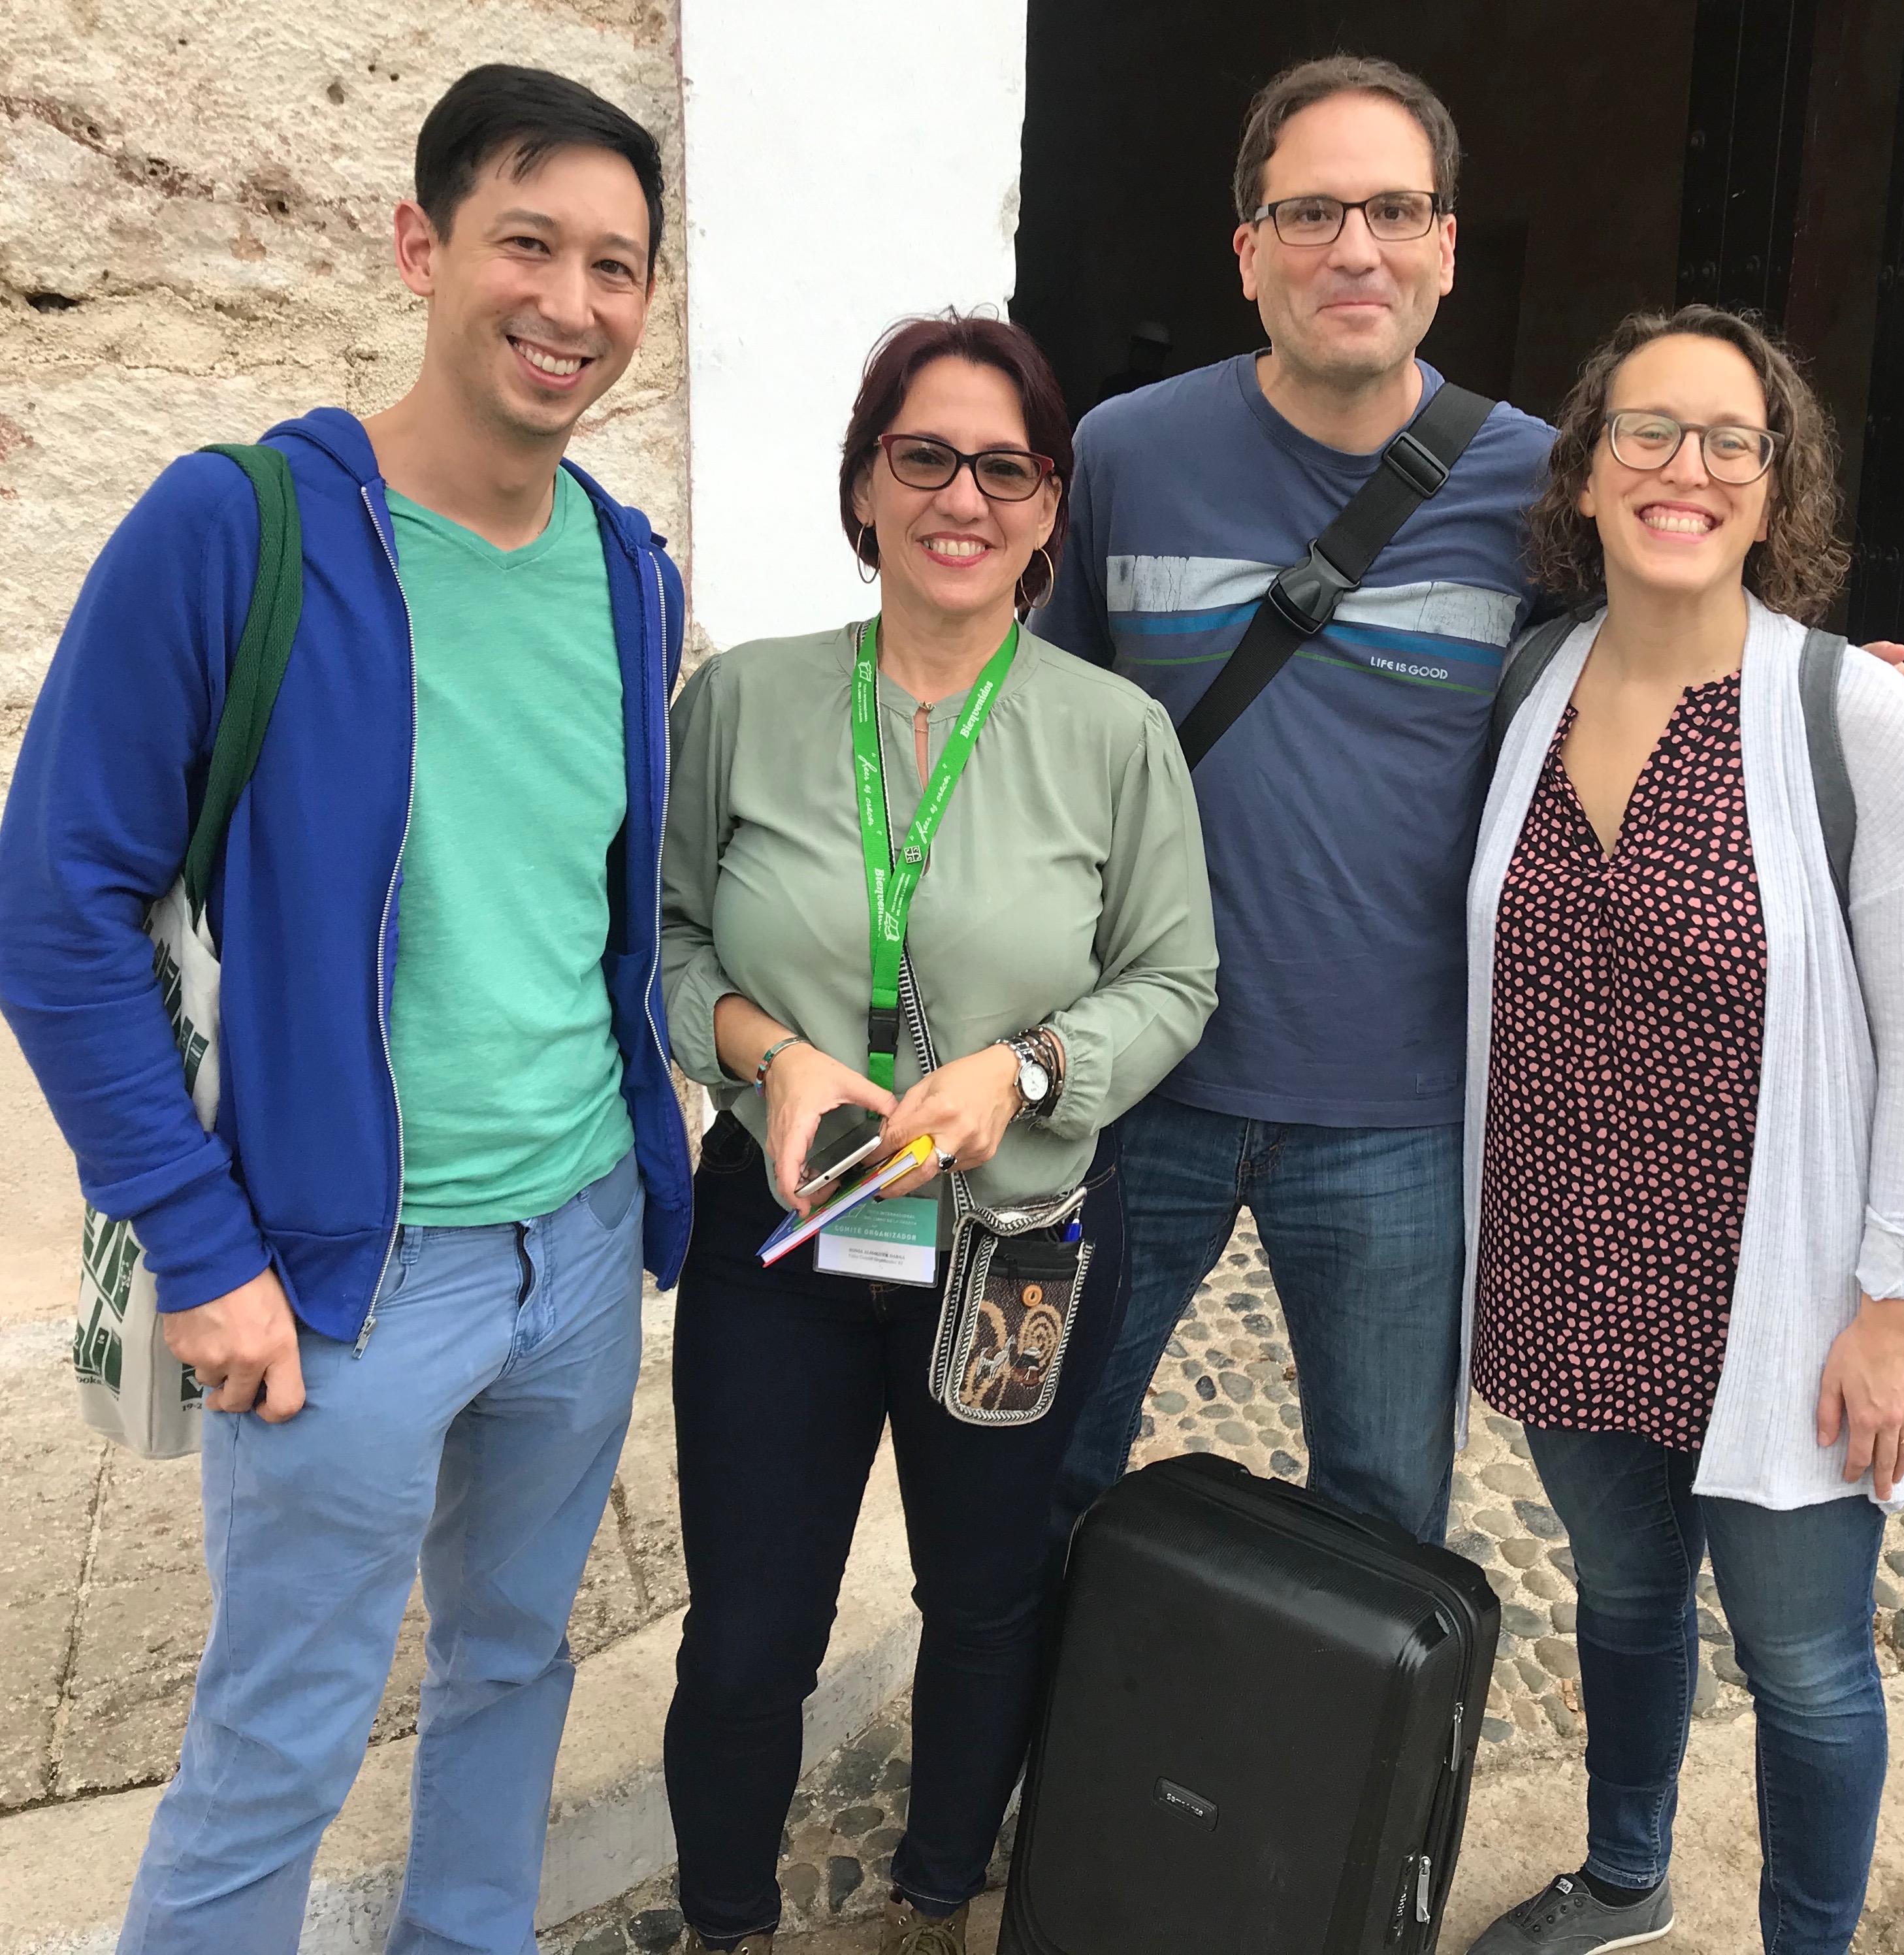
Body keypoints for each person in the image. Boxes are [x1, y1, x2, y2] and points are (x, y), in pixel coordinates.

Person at [1036, 53, 1904, 1549]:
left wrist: (1870, 700)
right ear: (1249, 250)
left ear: (1448, 247)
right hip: (1142, 1084)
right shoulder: (1125, 456)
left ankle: (1336, 1790)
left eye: (1397, 210)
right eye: (1314, 212)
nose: (1358, 248)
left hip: (1398, 1115)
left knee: (1384, 1520)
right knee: (1049, 1465)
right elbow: (1038, 735)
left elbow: (1694, 633)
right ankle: (1036, 1774)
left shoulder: (1544, 487)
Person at [0, 66, 692, 1954]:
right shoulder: (238, 529)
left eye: (617, 266)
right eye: (527, 243)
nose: (572, 302)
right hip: (340, 1275)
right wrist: (197, 1242)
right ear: (421, 245)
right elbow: (51, 908)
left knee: (510, 1668)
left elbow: (604, 916)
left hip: (578, 1241)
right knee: (281, 1733)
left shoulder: (633, 577)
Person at [656, 311, 1217, 1955]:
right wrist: (768, 1060)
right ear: (864, 484)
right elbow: (672, 948)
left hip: (1014, 1257)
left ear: (1049, 508)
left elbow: (1178, 977)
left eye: (1004, 466)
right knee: (751, 1630)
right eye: (923, 456)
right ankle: (725, 1922)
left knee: (983, 1605)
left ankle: (937, 1900)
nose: (960, 496)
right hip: (779, 1239)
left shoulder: (1115, 737)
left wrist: (1029, 1070)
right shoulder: (744, 702)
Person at [1461, 306, 1904, 1955]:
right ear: (1589, 467)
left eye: (1728, 441)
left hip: (1780, 1296)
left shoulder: (1858, 721)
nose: (1684, 467)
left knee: (1809, 1666)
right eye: (1646, 430)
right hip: (1566, 1267)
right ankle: (1628, 1874)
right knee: (1621, 1600)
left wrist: (1894, 1309)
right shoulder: (1531, 679)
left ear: (1775, 488)